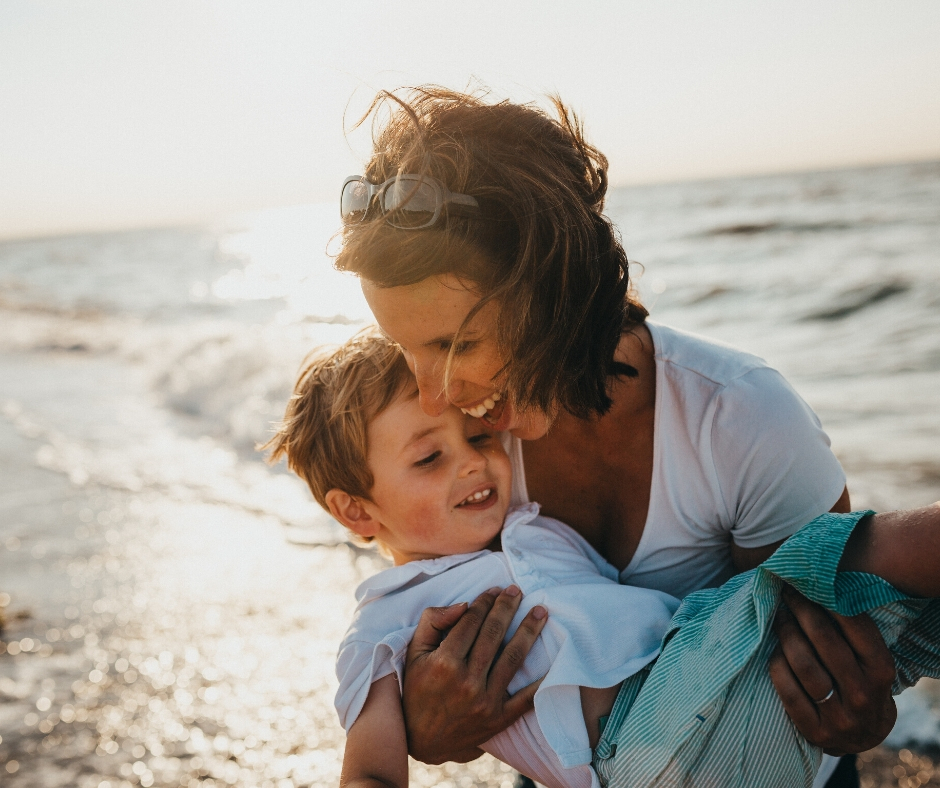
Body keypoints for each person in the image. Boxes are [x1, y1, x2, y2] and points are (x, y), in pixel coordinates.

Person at [331, 86, 898, 787]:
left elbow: (823, 657)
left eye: (456, 343)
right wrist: (430, 726)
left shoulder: (742, 421)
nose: (434, 393)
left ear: (555, 290)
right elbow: (425, 599)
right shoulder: (465, 448)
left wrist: (859, 714)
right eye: (404, 349)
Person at [264, 329, 940, 788]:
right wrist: (424, 730)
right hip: (638, 743)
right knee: (870, 556)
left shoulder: (531, 528)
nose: (474, 459)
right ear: (357, 511)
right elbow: (371, 773)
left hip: (716, 697)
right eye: (429, 457)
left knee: (907, 615)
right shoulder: (386, 622)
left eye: (475, 433)